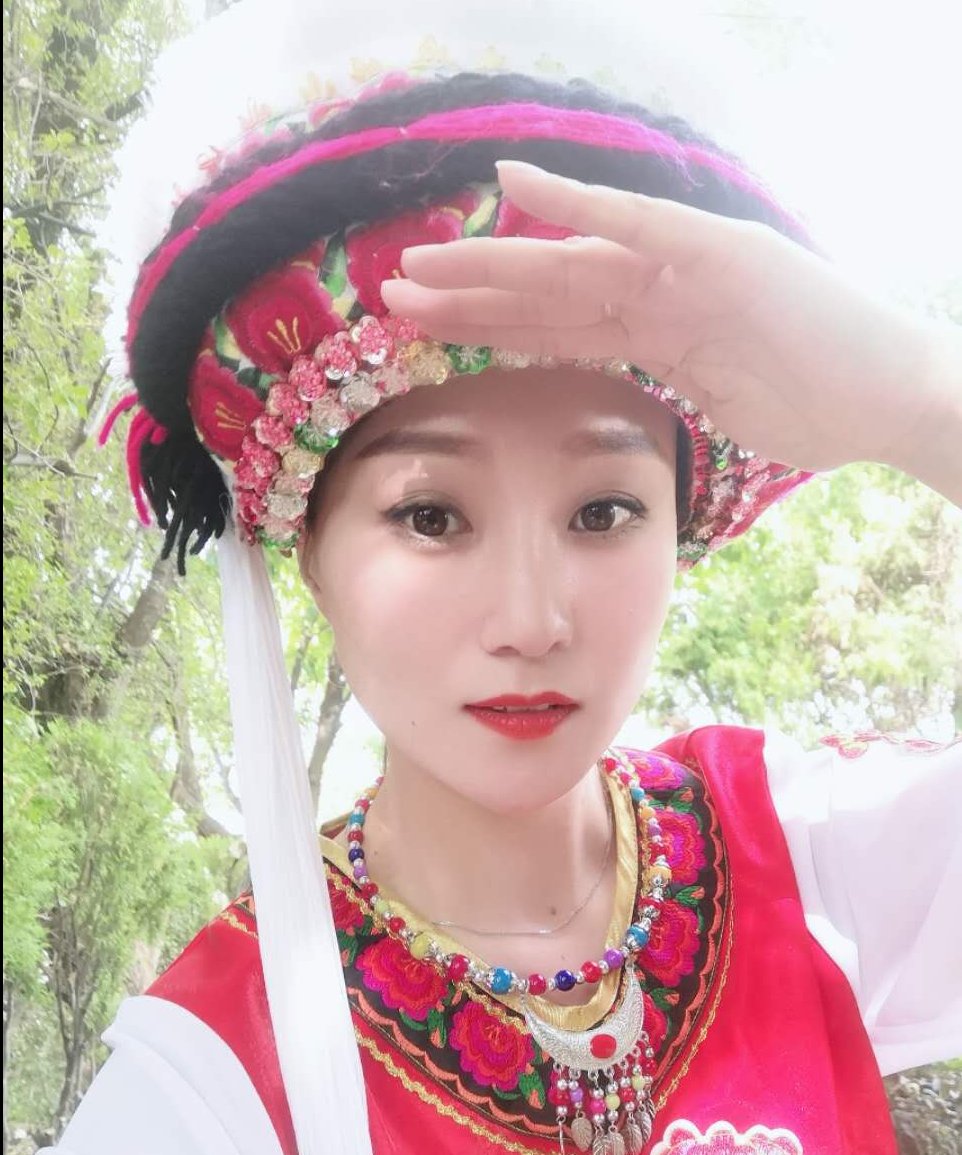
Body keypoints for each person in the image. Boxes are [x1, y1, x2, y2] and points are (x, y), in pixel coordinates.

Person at [46, 0, 961, 1153]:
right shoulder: (210, 1083)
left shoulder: (808, 858)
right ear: (309, 552)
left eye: (603, 512)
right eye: (430, 516)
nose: (531, 622)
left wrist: (917, 402)